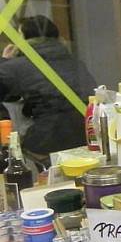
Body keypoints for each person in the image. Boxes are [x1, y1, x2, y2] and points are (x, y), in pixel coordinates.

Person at [0, 15, 97, 165]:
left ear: (24, 39)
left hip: (46, 141)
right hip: (85, 136)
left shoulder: (18, 66)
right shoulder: (75, 62)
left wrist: (6, 62)